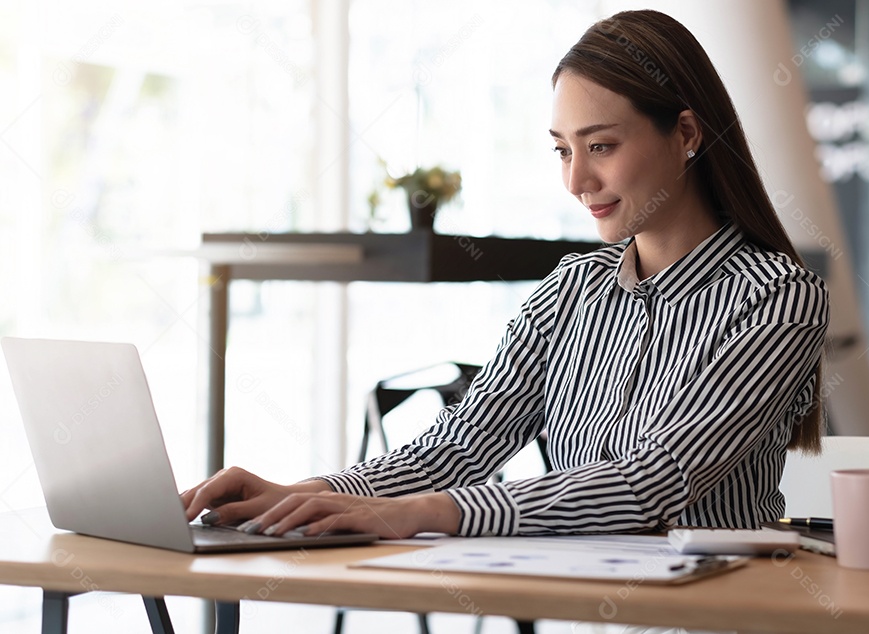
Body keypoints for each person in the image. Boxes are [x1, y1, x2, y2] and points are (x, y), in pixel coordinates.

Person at [182, 9, 829, 543]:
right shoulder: (572, 290)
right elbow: (457, 449)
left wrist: (425, 513)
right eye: (562, 149)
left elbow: (654, 482)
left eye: (601, 146)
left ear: (685, 133)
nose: (576, 180)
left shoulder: (779, 297)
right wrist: (299, 494)